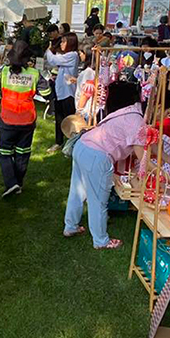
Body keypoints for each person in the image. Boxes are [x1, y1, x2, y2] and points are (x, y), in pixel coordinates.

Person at [63, 81, 148, 250]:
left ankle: (70, 226)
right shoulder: (135, 118)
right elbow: (143, 157)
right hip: (97, 155)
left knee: (77, 191)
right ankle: (101, 240)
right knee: (97, 200)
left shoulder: (123, 113)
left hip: (83, 145)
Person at [0, 41, 51, 197]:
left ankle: (11, 183)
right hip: (26, 121)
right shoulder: (35, 74)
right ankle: (18, 183)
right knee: (22, 153)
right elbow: (47, 94)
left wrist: (3, 101)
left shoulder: (1, 72)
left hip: (7, 119)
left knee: (4, 153)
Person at [45, 32, 80, 153]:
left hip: (68, 93)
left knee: (70, 119)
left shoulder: (72, 55)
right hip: (61, 91)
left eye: (64, 41)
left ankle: (73, 143)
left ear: (70, 42)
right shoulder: (68, 55)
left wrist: (48, 49)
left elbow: (53, 60)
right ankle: (59, 142)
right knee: (59, 118)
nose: (61, 43)